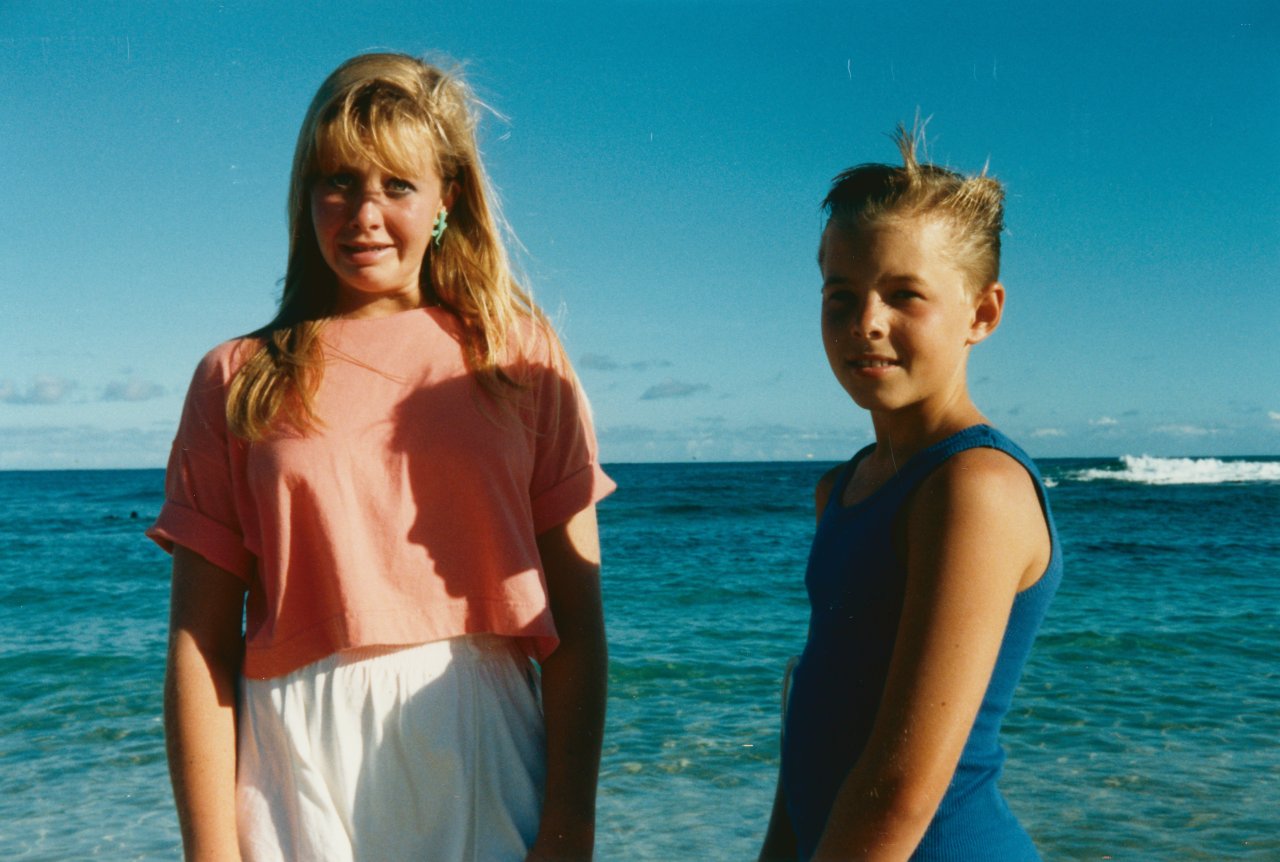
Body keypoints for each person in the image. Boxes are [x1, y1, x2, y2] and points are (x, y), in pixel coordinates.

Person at [148, 52, 615, 862]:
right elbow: (200, 646)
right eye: (338, 181)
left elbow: (577, 626)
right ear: (306, 195)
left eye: (397, 185)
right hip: (293, 755)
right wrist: (209, 852)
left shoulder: (519, 358)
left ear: (447, 199)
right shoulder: (237, 377)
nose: (364, 213)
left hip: (483, 739)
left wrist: (571, 825)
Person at [759, 126, 1063, 861]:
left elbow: (900, 788)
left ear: (982, 315)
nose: (867, 321)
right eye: (842, 296)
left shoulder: (974, 488)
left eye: (904, 295)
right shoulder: (843, 488)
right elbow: (814, 730)